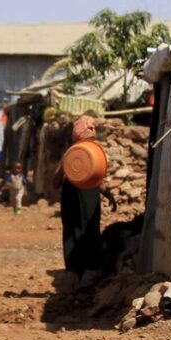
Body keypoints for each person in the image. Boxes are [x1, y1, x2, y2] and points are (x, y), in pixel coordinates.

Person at [52, 115, 117, 288]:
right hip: (73, 197)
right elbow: (55, 182)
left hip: (89, 196)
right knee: (74, 230)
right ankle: (75, 272)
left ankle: (89, 271)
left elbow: (97, 179)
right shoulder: (72, 154)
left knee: (89, 229)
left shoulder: (93, 152)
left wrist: (108, 194)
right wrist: (67, 159)